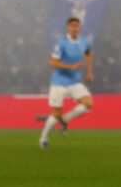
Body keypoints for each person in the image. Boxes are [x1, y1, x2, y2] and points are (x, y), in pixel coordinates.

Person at [39, 17, 93, 149]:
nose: (74, 28)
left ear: (80, 28)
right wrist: (71, 67)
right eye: (72, 26)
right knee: (56, 114)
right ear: (68, 28)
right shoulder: (62, 43)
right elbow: (53, 62)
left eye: (76, 26)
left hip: (74, 82)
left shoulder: (84, 42)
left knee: (88, 103)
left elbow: (88, 54)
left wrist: (90, 71)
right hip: (59, 83)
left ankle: (65, 119)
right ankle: (44, 138)